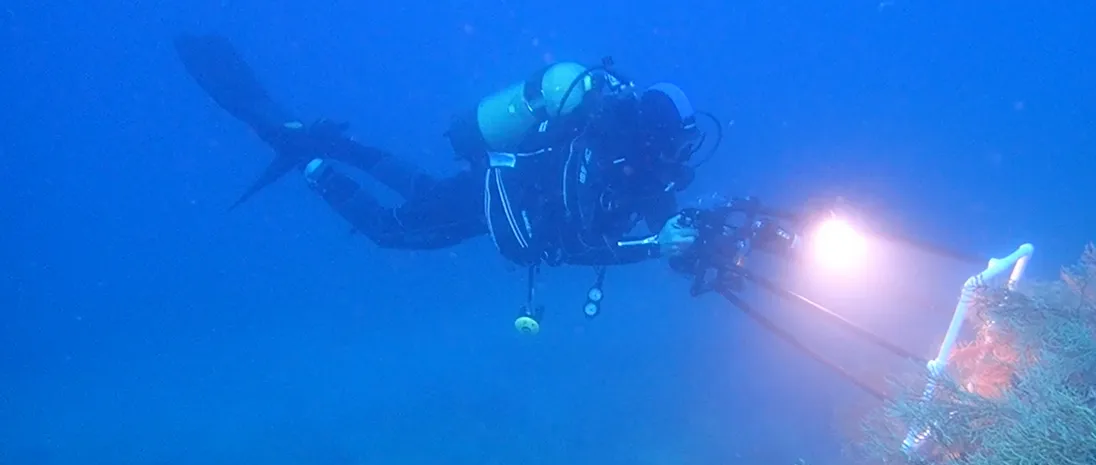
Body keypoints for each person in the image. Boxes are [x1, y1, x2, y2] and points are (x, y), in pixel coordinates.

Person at [174, 34, 710, 326]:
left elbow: (659, 204)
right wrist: (655, 248)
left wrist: (694, 237)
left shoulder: (631, 156)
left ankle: (330, 143)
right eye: (676, 145)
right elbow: (570, 245)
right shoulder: (592, 156)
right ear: (653, 136)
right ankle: (311, 163)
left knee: (426, 193)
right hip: (495, 203)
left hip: (497, 187)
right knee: (391, 229)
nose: (679, 157)